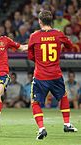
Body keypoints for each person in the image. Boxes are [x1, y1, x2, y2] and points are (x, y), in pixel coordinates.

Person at [28, 10, 78, 140]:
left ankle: (41, 129)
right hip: (55, 74)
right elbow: (70, 46)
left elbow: (30, 56)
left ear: (39, 21)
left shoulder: (34, 36)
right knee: (63, 96)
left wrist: (41, 62)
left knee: (35, 102)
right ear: (52, 21)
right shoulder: (58, 34)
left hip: (40, 76)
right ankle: (66, 124)